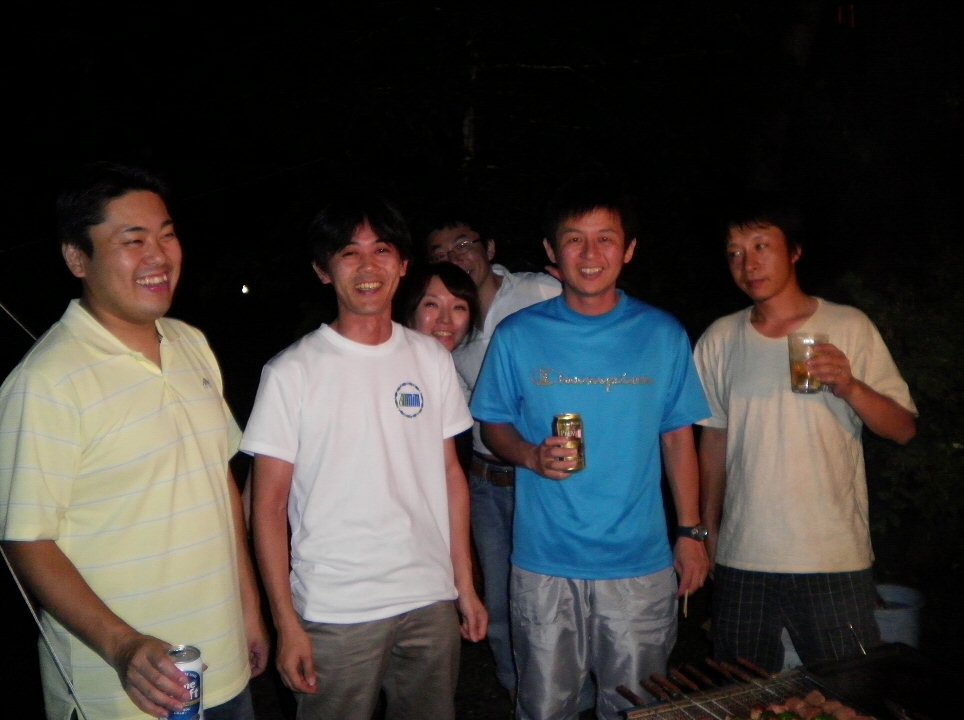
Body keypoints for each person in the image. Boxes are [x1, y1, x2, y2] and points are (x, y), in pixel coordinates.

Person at [0, 161, 269, 720]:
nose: (158, 256)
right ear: (77, 258)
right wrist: (123, 646)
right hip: (122, 691)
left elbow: (217, 480)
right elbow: (27, 541)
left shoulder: (191, 343)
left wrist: (248, 608)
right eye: (133, 240)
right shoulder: (45, 380)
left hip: (222, 665)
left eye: (166, 235)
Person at [470, 176, 711, 720]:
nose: (590, 253)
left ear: (629, 250)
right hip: (544, 561)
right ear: (552, 252)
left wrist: (691, 532)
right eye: (574, 239)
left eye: (606, 239)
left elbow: (678, 436)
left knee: (637, 708)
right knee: (545, 707)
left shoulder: (662, 333)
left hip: (638, 562)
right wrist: (530, 456)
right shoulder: (518, 334)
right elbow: (493, 424)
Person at [242, 194, 487, 720]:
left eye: (381, 250)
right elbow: (268, 506)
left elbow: (450, 475)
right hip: (336, 609)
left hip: (429, 597)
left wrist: (464, 586)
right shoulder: (291, 372)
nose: (368, 266)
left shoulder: (430, 358)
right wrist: (285, 623)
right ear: (323, 270)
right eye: (349, 253)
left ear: (403, 265)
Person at [693, 195, 918, 673]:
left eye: (761, 246)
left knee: (850, 691)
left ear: (794, 251)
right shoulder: (719, 338)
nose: (748, 263)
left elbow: (902, 429)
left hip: (831, 556)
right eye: (735, 252)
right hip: (744, 556)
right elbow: (713, 439)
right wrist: (706, 528)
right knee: (741, 693)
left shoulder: (848, 325)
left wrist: (850, 385)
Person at [426, 215, 560, 696]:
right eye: (441, 252)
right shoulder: (449, 327)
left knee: (552, 597)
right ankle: (517, 693)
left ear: (490, 247)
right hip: (486, 481)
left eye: (463, 243)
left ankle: (568, 696)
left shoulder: (539, 291)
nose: (455, 257)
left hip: (544, 477)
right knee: (501, 603)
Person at [396, 260, 481, 473]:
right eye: (432, 305)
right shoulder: (394, 376)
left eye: (459, 307)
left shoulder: (451, 377)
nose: (445, 319)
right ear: (410, 311)